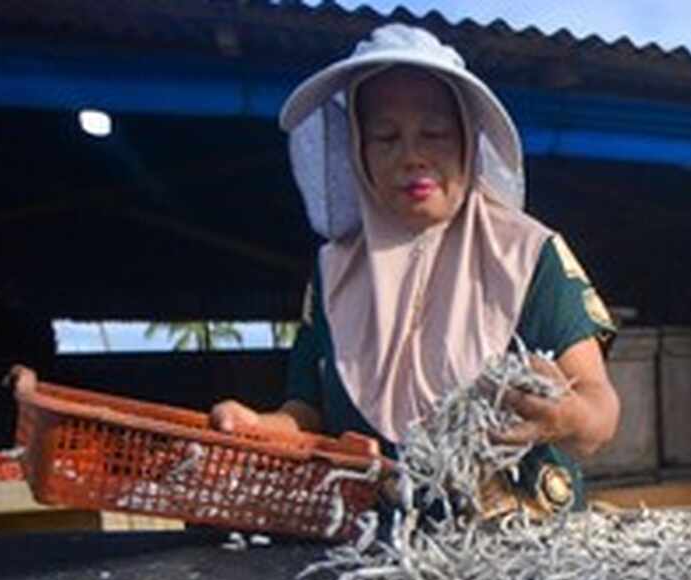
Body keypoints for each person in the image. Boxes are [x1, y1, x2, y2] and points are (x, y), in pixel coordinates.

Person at [211, 24, 620, 514]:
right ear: (358, 151)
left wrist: (566, 416)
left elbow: (600, 412)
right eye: (386, 137)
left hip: (524, 545)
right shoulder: (333, 273)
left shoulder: (527, 254)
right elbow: (306, 413)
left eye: (435, 133)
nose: (412, 157)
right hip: (377, 549)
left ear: (468, 142)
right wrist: (255, 427)